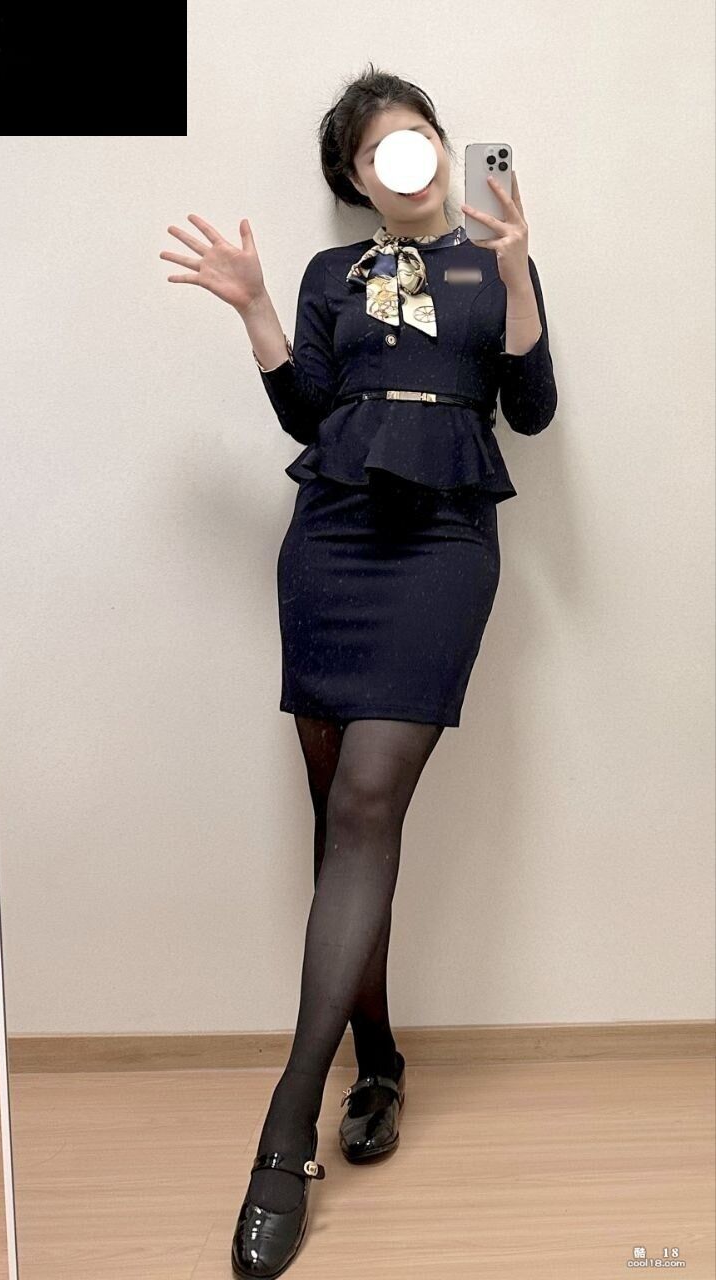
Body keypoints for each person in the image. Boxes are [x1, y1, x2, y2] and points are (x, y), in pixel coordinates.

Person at [160, 61, 557, 1280]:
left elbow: (532, 408)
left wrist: (515, 274)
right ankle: (375, 1060)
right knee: (338, 815)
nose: (407, 159)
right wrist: (255, 308)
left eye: (419, 136)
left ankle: (285, 1132)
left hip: (441, 543)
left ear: (439, 146)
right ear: (354, 176)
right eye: (380, 150)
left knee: (367, 799)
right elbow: (308, 415)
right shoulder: (334, 274)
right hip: (329, 541)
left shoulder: (494, 259)